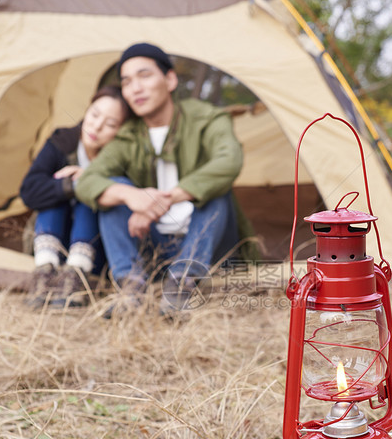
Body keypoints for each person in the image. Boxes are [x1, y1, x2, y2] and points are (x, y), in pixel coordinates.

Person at [75, 43, 254, 316]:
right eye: (126, 82)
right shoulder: (128, 135)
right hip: (156, 247)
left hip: (210, 246)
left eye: (144, 76)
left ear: (170, 80)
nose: (135, 88)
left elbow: (229, 161)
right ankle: (131, 289)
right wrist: (130, 196)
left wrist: (166, 199)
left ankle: (182, 284)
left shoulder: (206, 118)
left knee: (216, 190)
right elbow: (88, 181)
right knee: (112, 187)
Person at [20, 86, 130, 307]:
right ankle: (44, 273)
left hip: (93, 255)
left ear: (121, 130)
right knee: (56, 194)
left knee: (91, 195)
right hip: (49, 242)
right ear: (87, 110)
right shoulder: (63, 141)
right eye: (94, 114)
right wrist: (69, 185)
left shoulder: (120, 158)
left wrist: (87, 181)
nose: (96, 126)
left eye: (109, 124)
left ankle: (76, 278)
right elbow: (29, 191)